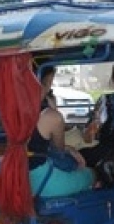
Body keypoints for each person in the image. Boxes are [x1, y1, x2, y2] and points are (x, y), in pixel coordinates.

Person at [28, 66, 94, 197]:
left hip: (12, 179)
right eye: (49, 84)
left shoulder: (4, 111)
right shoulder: (51, 117)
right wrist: (55, 110)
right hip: (42, 183)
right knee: (91, 174)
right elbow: (59, 151)